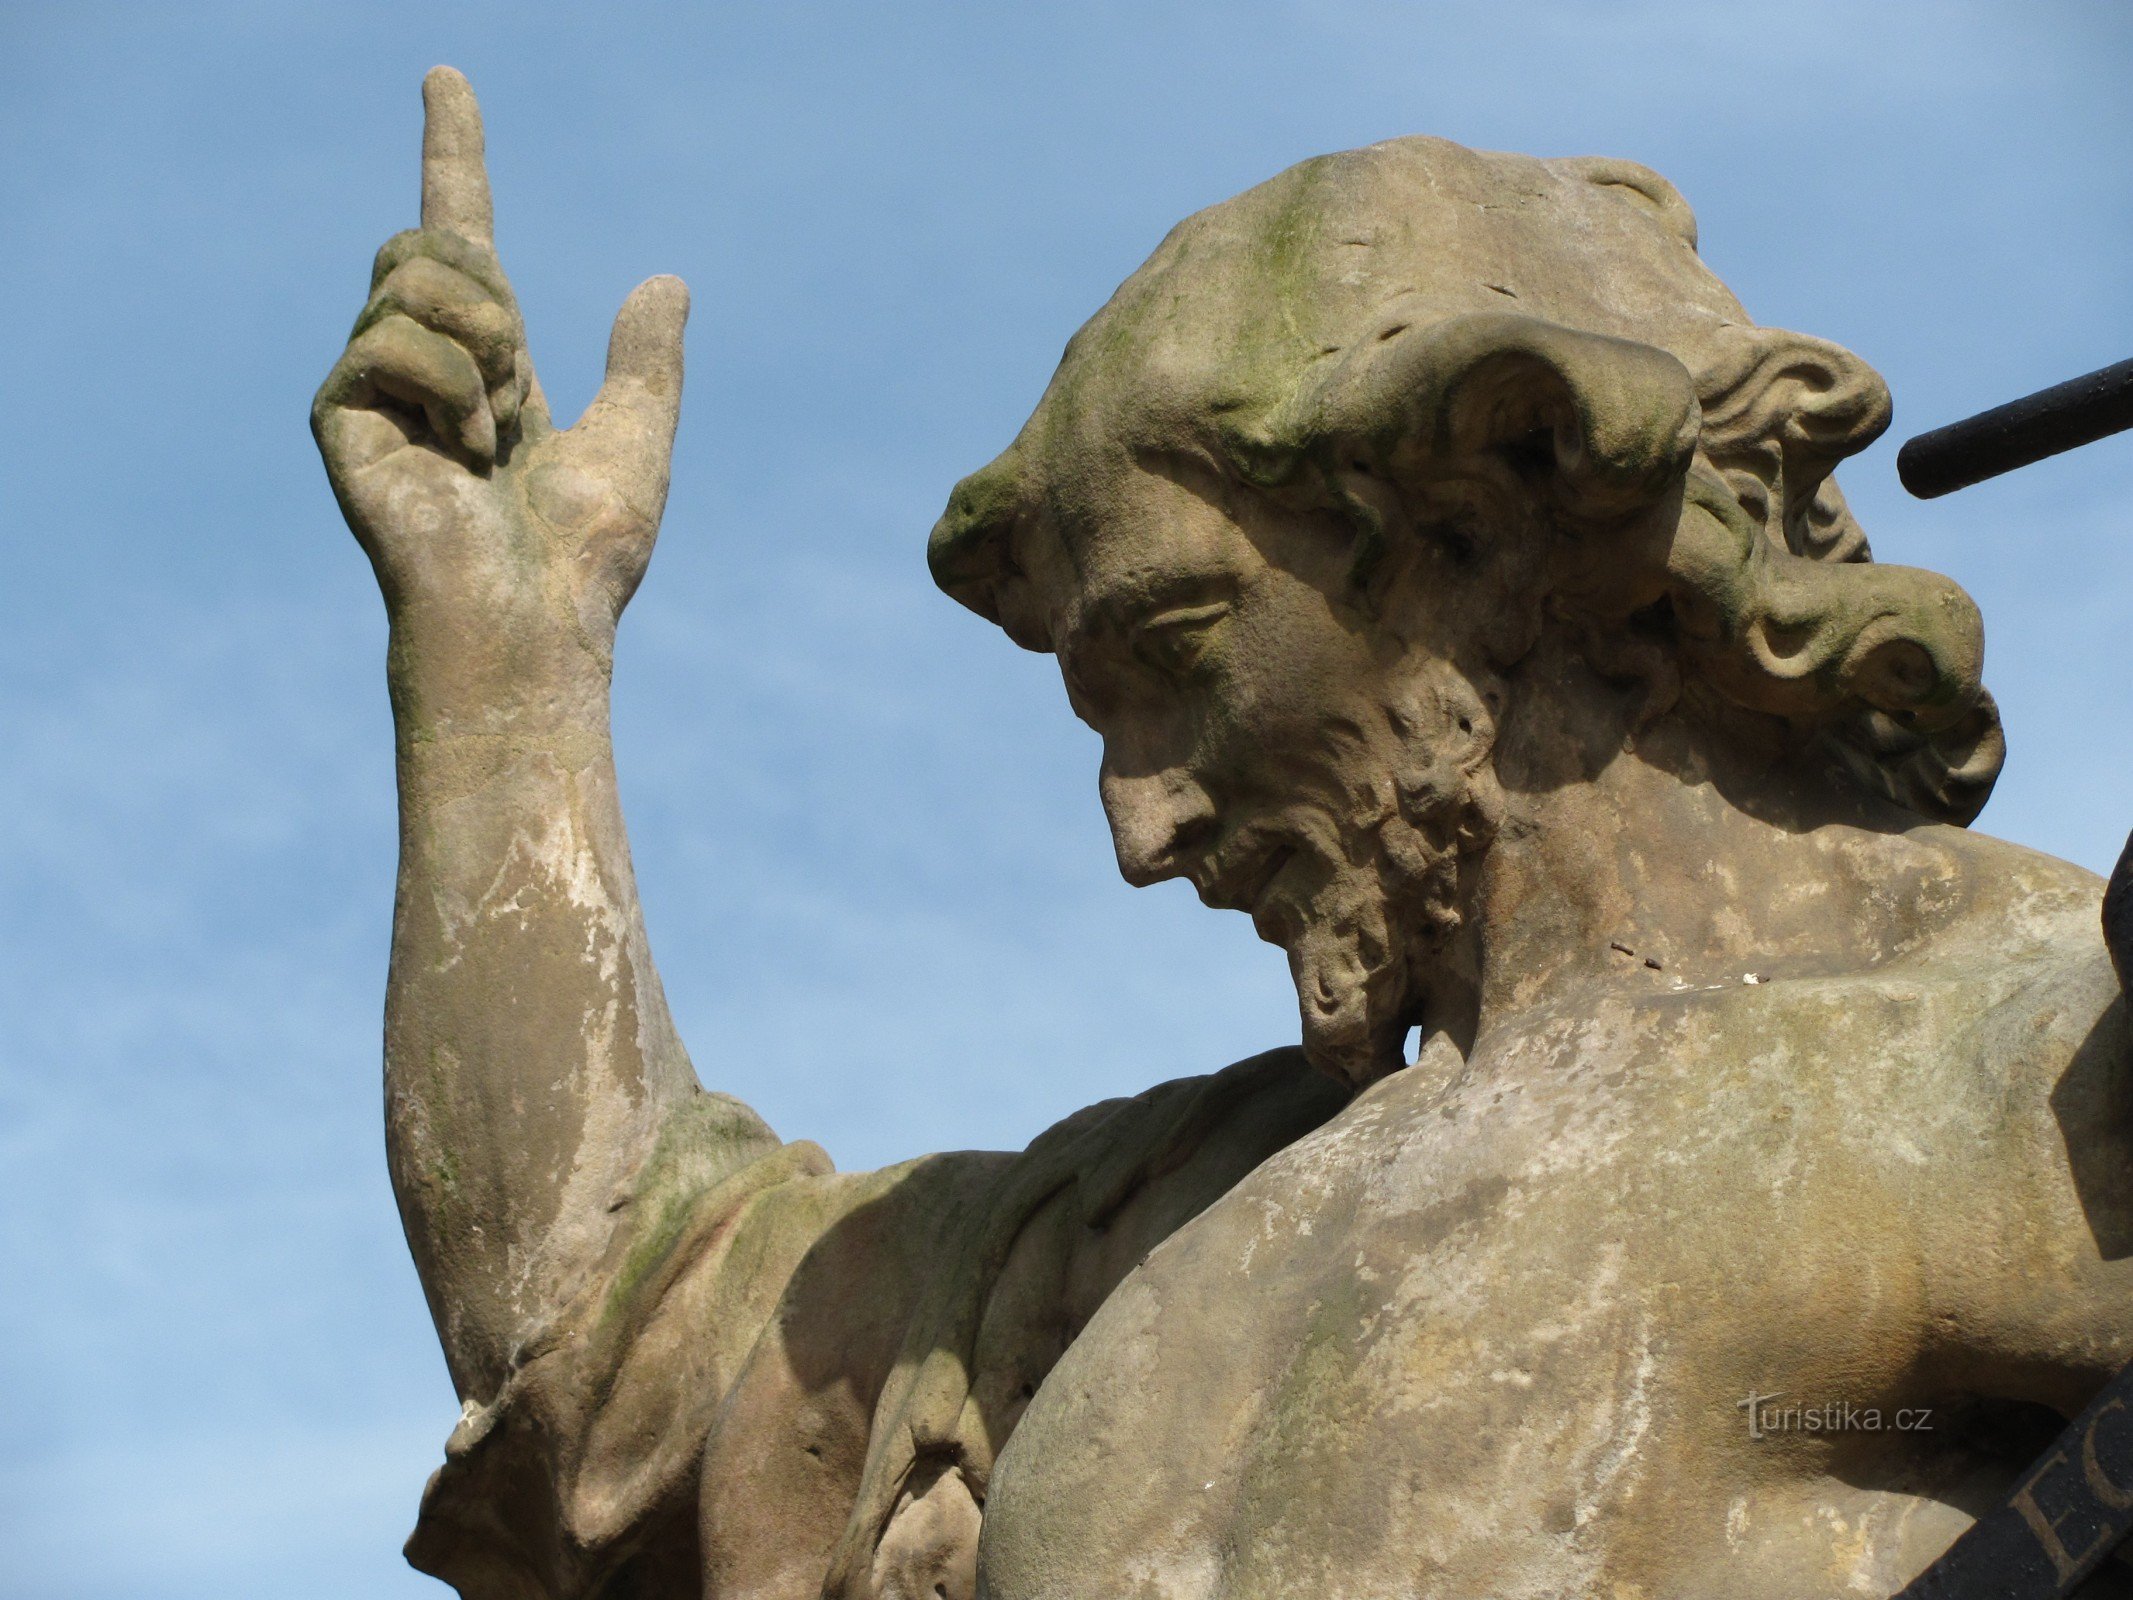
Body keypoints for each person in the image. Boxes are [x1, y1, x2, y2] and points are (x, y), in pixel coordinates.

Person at [315, 67, 2133, 1600]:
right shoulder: (1151, 1234)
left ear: (1491, 501)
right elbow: (602, 1335)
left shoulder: (2033, 1066)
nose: (1139, 823)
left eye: (1173, 659)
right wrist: (504, 661)